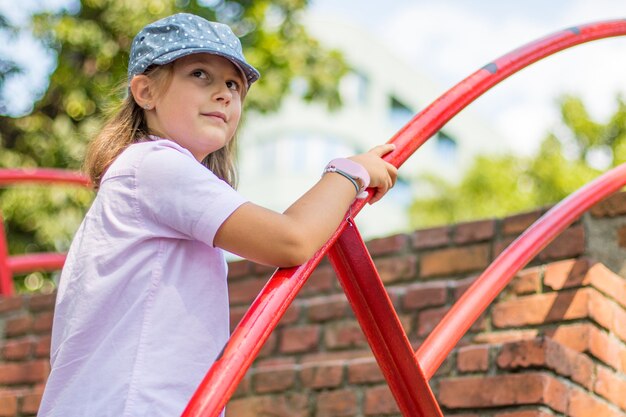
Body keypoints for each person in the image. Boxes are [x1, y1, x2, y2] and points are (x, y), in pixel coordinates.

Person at [38, 12, 397, 417]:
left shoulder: (147, 174)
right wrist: (349, 173)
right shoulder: (154, 166)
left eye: (233, 85)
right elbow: (290, 240)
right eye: (199, 74)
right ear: (145, 91)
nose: (224, 93)